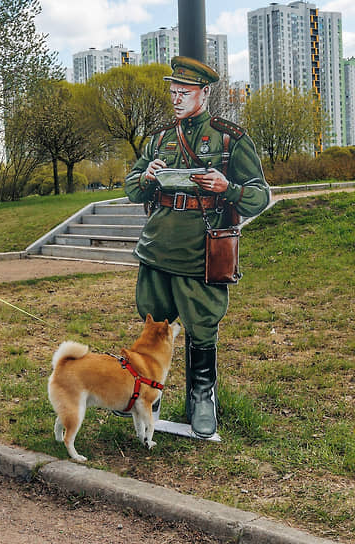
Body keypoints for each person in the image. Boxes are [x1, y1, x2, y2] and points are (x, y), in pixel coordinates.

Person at [124, 57, 270, 438]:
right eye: (172, 92)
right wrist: (147, 176)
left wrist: (229, 188)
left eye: (184, 93)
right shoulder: (158, 138)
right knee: (153, 321)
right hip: (157, 247)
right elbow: (131, 188)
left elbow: (259, 196)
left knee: (202, 326)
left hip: (200, 251)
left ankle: (201, 398)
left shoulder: (229, 138)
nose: (176, 99)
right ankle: (146, 393)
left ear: (204, 93)